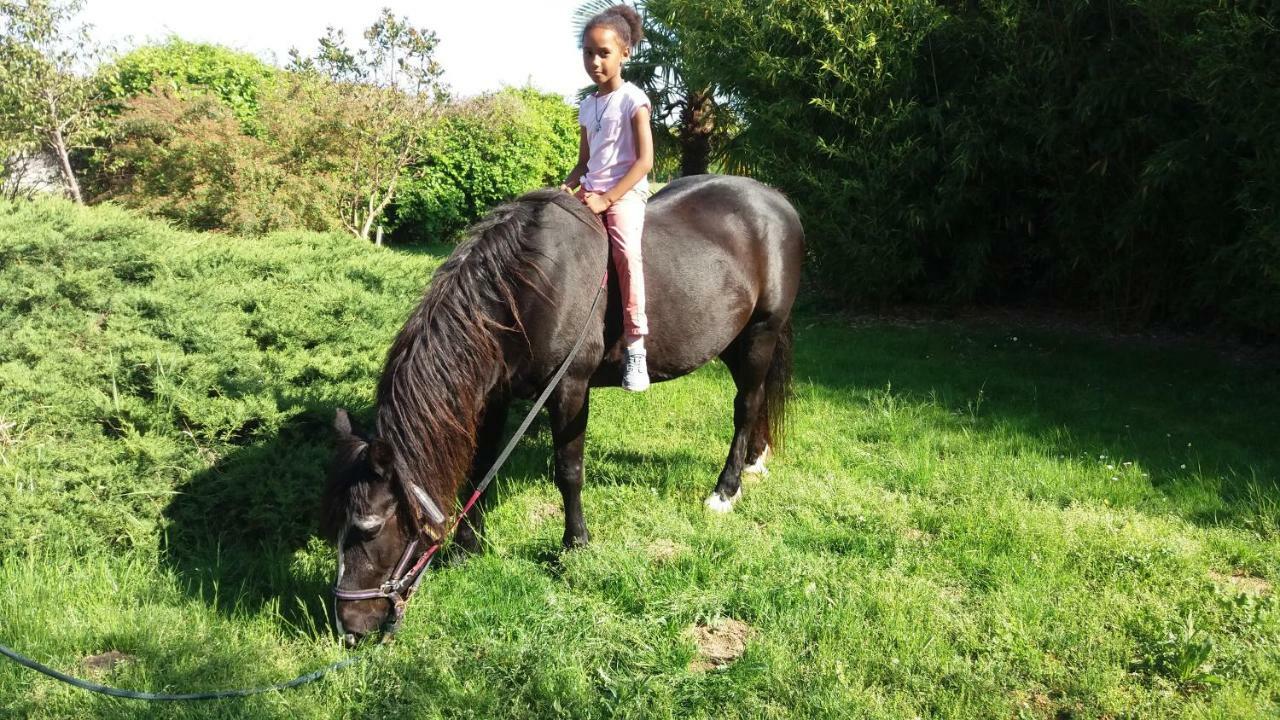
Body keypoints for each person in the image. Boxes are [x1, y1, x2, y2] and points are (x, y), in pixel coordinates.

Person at [559, 5, 654, 392]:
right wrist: (566, 188)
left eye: (603, 53)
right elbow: (584, 162)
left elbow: (645, 161)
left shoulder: (634, 99)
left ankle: (635, 345)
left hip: (625, 193)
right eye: (587, 52)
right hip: (591, 192)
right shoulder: (586, 105)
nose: (594, 61)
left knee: (626, 254)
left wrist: (608, 198)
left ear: (624, 53)